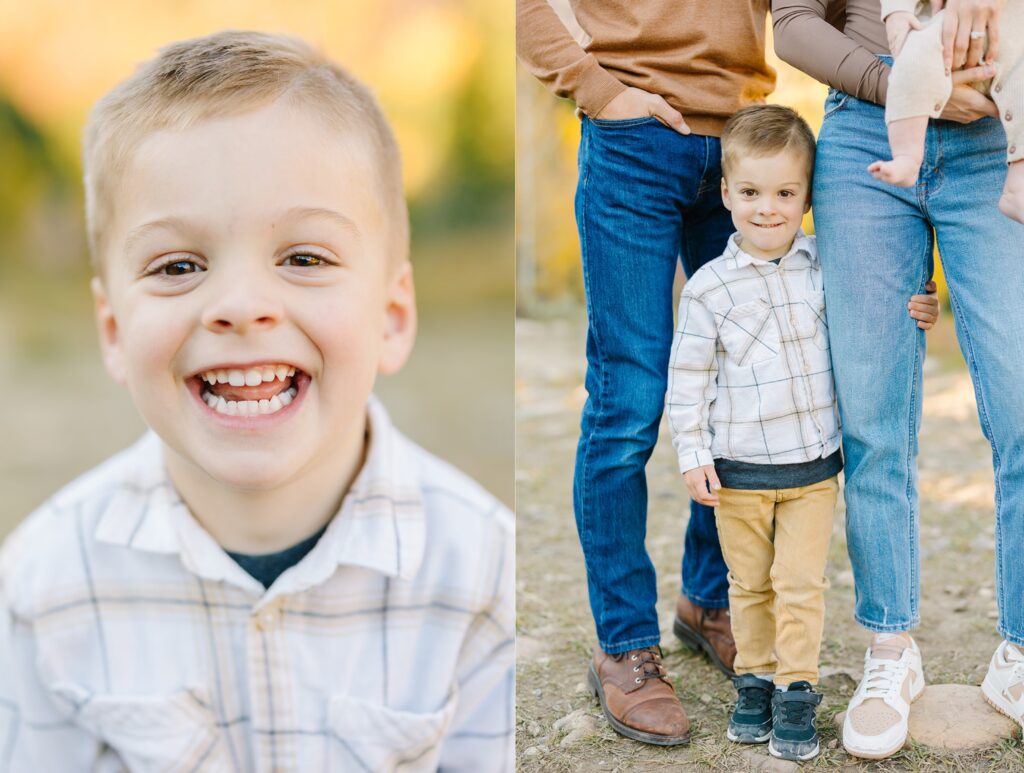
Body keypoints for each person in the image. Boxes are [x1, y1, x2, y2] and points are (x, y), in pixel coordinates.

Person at [0, 31, 513, 772]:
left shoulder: (482, 570)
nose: (240, 306)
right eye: (178, 265)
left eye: (304, 258)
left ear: (392, 316)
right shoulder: (41, 586)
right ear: (114, 330)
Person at [517, 0, 779, 745]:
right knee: (630, 397)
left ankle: (709, 601)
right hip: (632, 137)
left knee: (741, 391)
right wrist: (602, 91)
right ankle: (626, 645)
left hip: (741, 143)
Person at [773, 0, 1024, 759]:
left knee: (1020, 406)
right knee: (873, 413)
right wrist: (905, 86)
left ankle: (1019, 651)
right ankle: (890, 648)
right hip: (865, 144)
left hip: (1001, 138)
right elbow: (790, 22)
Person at [666, 104, 938, 762]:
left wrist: (918, 306)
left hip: (813, 470)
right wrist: (693, 452)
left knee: (799, 584)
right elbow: (688, 379)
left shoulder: (826, 268)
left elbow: (875, 312)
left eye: (785, 193)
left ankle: (795, 689)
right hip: (739, 475)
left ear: (807, 196)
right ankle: (754, 681)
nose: (768, 209)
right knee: (749, 585)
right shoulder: (708, 289)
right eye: (752, 193)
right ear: (727, 192)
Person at [868, 0, 1024, 223]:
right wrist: (897, 12)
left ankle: (1019, 185)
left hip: (1011, 33)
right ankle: (906, 157)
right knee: (913, 62)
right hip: (942, 28)